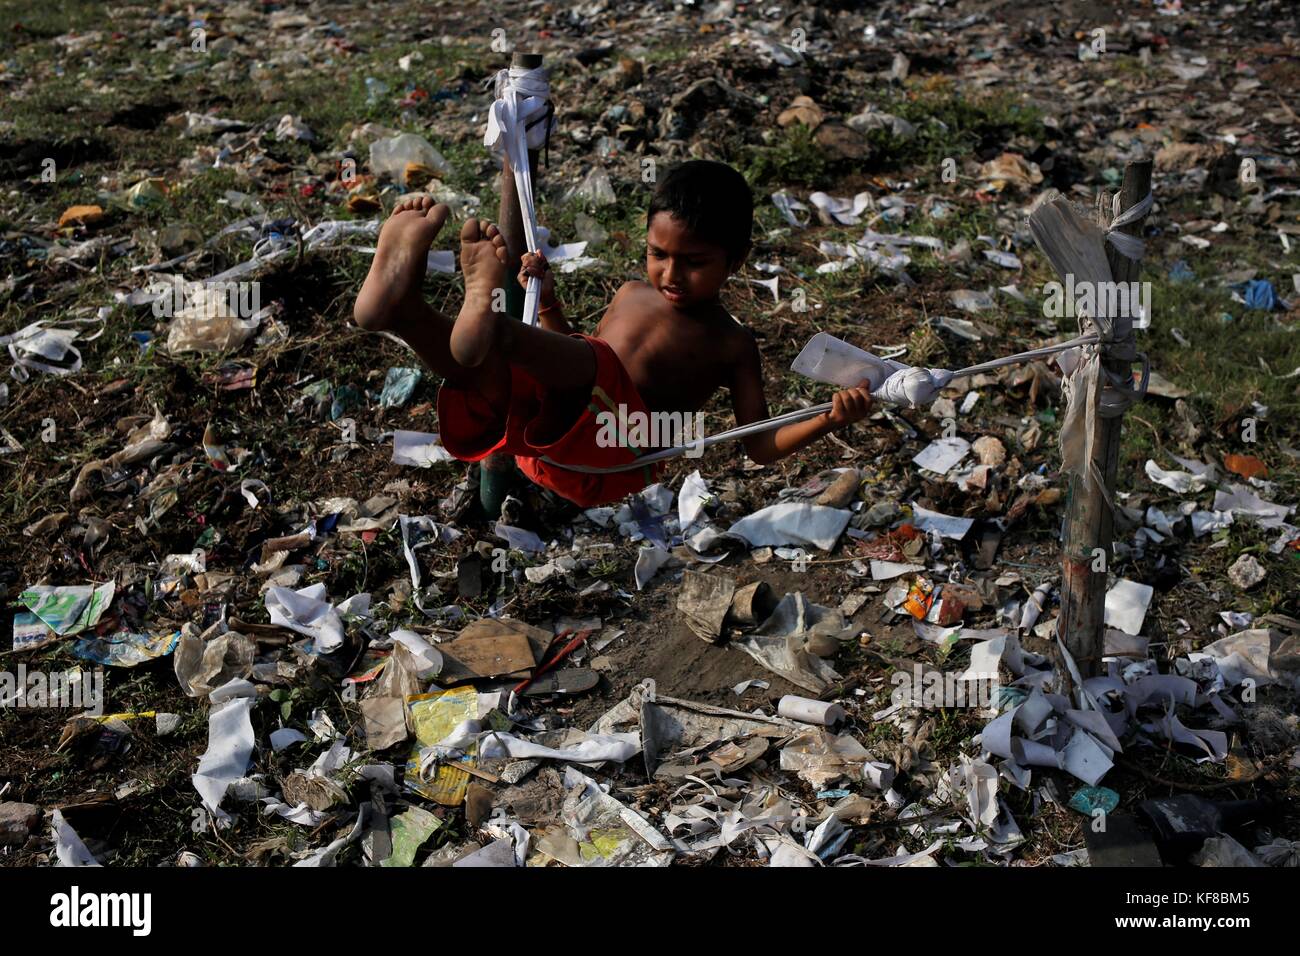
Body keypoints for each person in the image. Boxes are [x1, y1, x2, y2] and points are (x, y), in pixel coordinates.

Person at [353, 159, 872, 513]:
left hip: (617, 450)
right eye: (659, 254)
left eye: (694, 263)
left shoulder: (729, 342)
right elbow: (571, 361)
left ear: (735, 261)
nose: (671, 274)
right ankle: (400, 313)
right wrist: (549, 303)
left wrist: (829, 418)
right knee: (495, 383)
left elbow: (758, 443)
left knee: (541, 358)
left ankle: (486, 316)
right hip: (547, 442)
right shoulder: (629, 293)